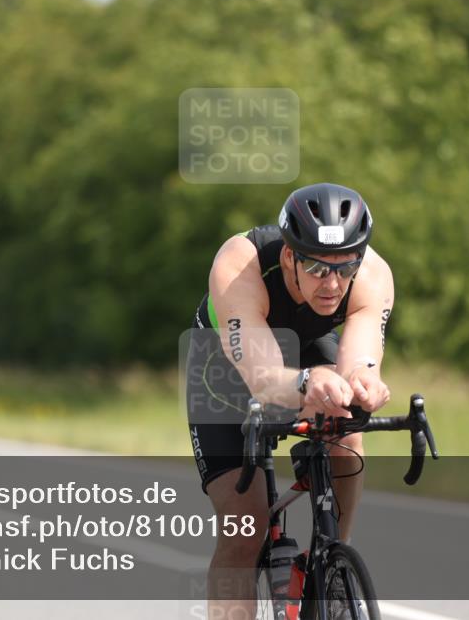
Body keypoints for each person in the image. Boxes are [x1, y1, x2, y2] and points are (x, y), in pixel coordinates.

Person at [185, 182, 395, 619]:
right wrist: (307, 382)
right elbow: (262, 379)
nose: (333, 283)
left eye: (344, 268)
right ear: (288, 257)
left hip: (309, 348)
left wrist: (364, 384)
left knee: (346, 427)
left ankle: (337, 559)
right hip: (226, 367)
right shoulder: (239, 265)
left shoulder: (372, 274)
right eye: (317, 268)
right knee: (245, 524)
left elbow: (359, 361)